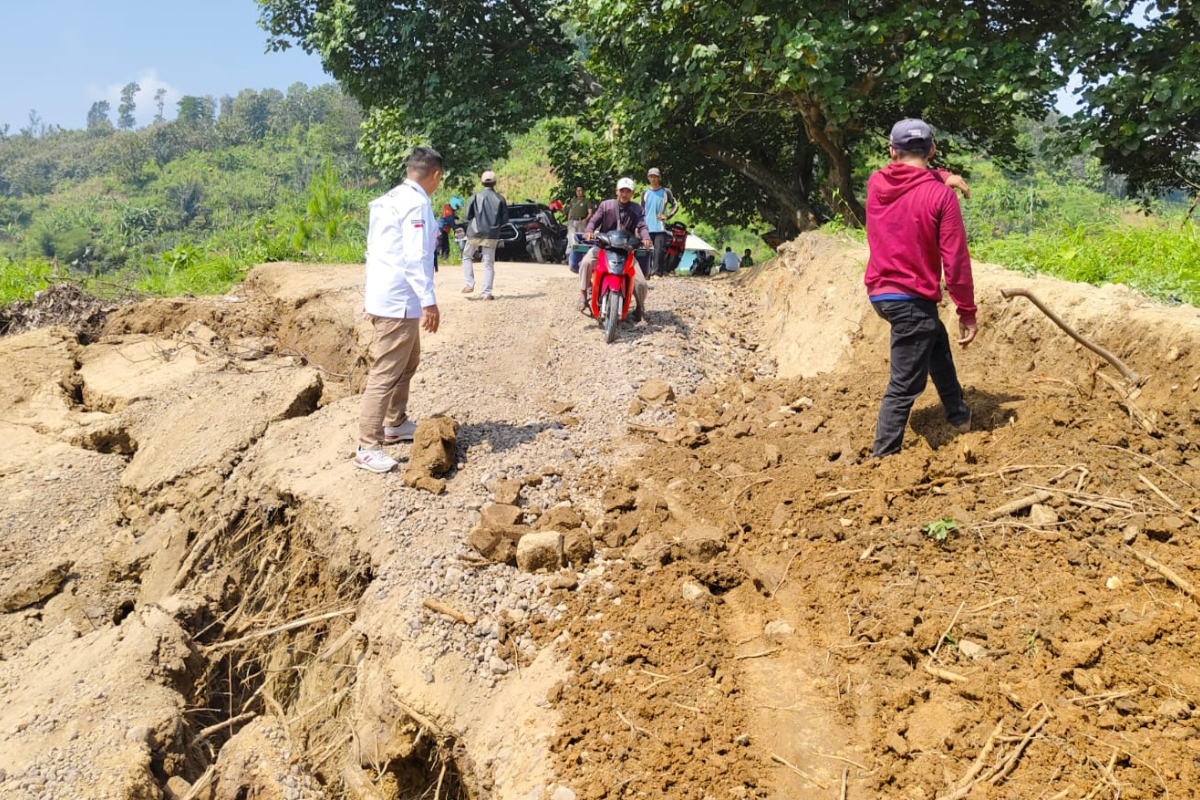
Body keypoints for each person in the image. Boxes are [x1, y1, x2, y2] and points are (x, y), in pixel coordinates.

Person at [866, 118, 976, 458]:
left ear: (892, 152)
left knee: (935, 341)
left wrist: (941, 176)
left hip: (881, 295)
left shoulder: (876, 182)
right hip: (911, 299)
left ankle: (958, 415)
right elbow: (955, 261)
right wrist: (967, 311)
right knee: (904, 385)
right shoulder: (941, 197)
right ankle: (883, 456)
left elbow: (907, 176)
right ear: (932, 150)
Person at [355, 146, 443, 473]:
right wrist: (429, 301)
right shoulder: (416, 204)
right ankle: (367, 446)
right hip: (399, 301)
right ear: (435, 175)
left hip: (389, 297)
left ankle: (395, 422)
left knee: (410, 359)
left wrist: (371, 296)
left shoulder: (388, 199)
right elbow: (415, 257)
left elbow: (375, 251)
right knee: (386, 372)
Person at [578, 177, 652, 321]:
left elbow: (642, 226)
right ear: (616, 191)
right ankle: (583, 296)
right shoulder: (606, 206)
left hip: (626, 251)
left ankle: (639, 307)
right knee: (586, 262)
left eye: (628, 191)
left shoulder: (637, 209)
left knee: (642, 283)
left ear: (632, 194)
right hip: (604, 247)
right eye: (622, 190)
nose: (624, 194)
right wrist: (589, 230)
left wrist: (646, 237)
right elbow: (594, 220)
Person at [461, 170, 509, 300]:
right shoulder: (500, 198)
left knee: (467, 256)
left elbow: (467, 215)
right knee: (488, 263)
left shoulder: (475, 196)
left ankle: (469, 284)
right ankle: (486, 293)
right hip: (491, 235)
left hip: (474, 232)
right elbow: (505, 220)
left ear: (482, 183)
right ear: (495, 183)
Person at [641, 168, 679, 277]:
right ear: (648, 178)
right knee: (645, 251)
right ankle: (645, 273)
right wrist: (639, 225)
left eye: (655, 176)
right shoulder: (645, 193)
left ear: (659, 178)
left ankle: (657, 273)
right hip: (646, 227)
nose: (653, 179)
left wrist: (667, 216)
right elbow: (641, 210)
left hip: (660, 227)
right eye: (651, 176)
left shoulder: (666, 192)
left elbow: (675, 205)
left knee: (659, 251)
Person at [565, 186, 596, 273]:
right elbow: (570, 211)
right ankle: (569, 256)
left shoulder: (586, 201)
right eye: (577, 190)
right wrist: (568, 220)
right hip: (572, 221)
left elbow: (590, 212)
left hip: (581, 221)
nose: (578, 192)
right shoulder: (573, 201)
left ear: (583, 192)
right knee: (570, 238)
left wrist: (585, 219)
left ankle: (581, 257)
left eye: (580, 190)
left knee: (581, 239)